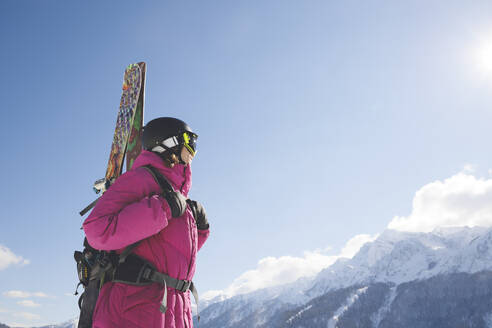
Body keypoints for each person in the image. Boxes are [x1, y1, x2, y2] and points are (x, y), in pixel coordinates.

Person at [83, 117, 210, 328]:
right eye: (188, 143)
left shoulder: (175, 194)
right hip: (135, 310)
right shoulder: (142, 180)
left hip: (175, 310)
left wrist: (201, 229)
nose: (192, 152)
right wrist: (163, 208)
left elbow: (171, 253)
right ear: (168, 143)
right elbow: (97, 229)